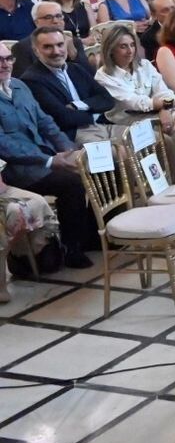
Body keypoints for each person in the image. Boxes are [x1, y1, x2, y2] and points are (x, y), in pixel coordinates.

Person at [0, 43, 95, 267]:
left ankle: (90, 236)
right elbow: (5, 145)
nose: (4, 64)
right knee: (71, 183)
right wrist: (51, 160)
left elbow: (45, 122)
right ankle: (73, 248)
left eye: (8, 59)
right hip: (17, 169)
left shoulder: (19, 86)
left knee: (93, 166)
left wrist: (68, 149)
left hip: (44, 157)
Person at [21, 28, 117, 143]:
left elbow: (108, 100)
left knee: (140, 137)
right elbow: (62, 118)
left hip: (101, 125)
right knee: (118, 152)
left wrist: (77, 105)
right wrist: (93, 114)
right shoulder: (31, 79)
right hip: (72, 134)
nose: (56, 51)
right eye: (48, 47)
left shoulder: (75, 69)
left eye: (60, 45)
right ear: (36, 51)